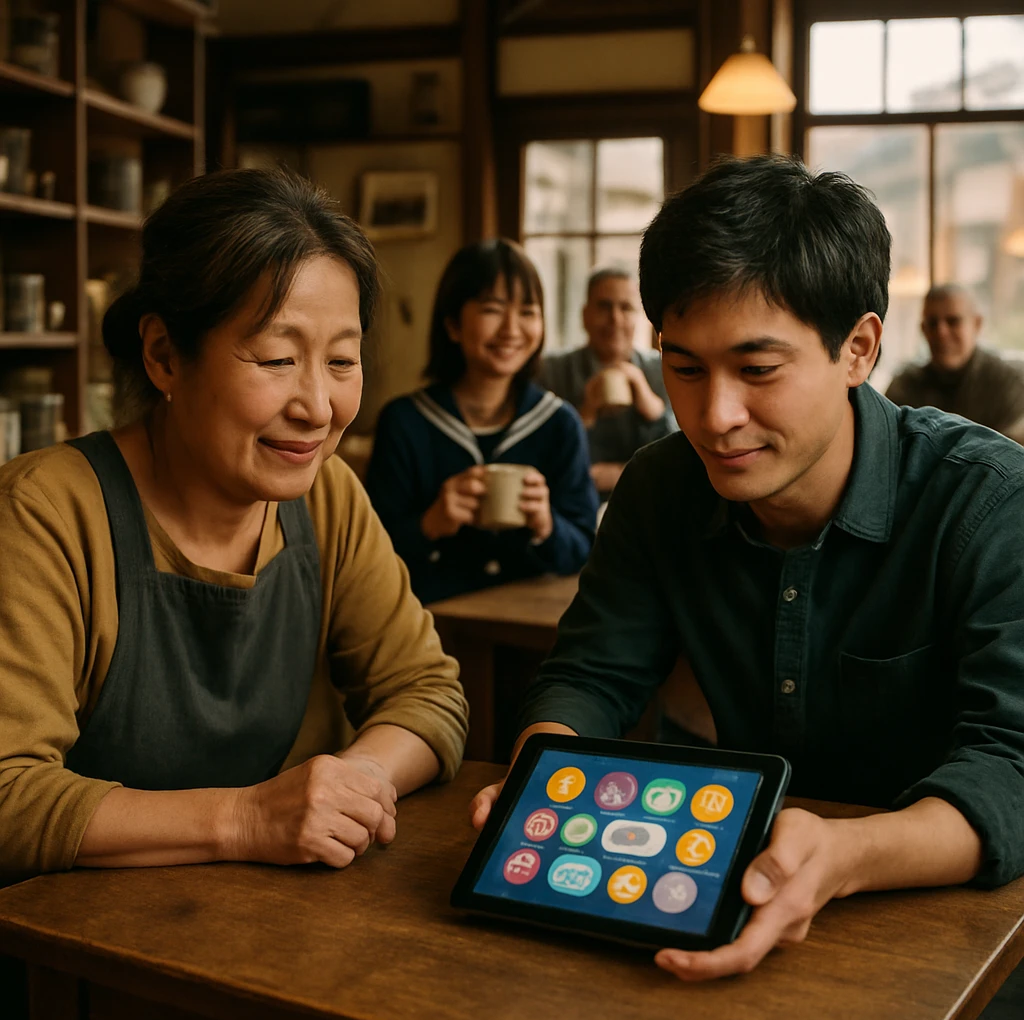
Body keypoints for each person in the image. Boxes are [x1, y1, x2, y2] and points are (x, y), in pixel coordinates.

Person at [469, 157, 1024, 982]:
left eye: (758, 370)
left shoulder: (984, 501)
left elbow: (1011, 760)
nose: (715, 417)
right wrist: (543, 784)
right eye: (684, 368)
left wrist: (848, 852)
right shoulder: (664, 487)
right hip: (711, 891)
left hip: (952, 932)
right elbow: (592, 672)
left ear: (859, 349)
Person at [0, 169, 469, 882]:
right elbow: (9, 794)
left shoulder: (329, 497)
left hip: (280, 930)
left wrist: (347, 787)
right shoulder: (46, 513)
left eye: (342, 360)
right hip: (80, 963)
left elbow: (426, 692)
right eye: (277, 360)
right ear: (163, 354)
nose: (318, 405)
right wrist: (250, 818)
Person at [365, 239, 598, 605]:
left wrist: (546, 524)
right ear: (453, 324)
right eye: (492, 309)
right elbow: (366, 556)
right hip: (433, 623)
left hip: (532, 624)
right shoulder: (406, 421)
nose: (512, 329)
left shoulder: (559, 423)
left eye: (528, 311)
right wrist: (431, 523)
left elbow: (586, 551)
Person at [541, 267, 676, 498]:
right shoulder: (552, 370)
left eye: (626, 308)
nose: (615, 319)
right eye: (604, 306)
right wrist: (584, 415)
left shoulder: (663, 369)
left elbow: (680, 463)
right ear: (584, 316)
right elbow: (544, 460)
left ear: (639, 318)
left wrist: (653, 409)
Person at [886, 284, 1024, 443]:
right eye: (932, 323)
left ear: (977, 324)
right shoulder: (905, 385)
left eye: (953, 321)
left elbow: (1013, 455)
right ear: (923, 329)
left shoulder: (1007, 382)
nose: (941, 332)